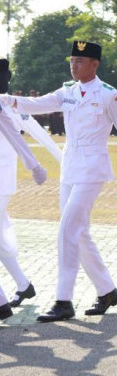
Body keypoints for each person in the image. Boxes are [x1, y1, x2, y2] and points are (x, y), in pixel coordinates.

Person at [0, 41, 117, 322]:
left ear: (94, 65)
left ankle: (63, 300)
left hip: (93, 169)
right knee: (80, 233)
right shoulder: (67, 92)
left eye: (80, 61)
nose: (74, 66)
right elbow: (37, 104)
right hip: (70, 168)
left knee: (68, 228)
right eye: (72, 61)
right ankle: (107, 290)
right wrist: (8, 99)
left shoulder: (110, 95)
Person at [0, 59, 56, 320]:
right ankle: (24, 286)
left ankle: (1, 305)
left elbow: (19, 134)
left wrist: (36, 166)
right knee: (1, 241)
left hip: (1, 180)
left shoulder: (6, 104)